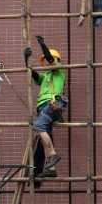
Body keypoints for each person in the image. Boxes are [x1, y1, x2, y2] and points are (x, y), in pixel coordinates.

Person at [26, 36, 66, 179]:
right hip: (44, 107)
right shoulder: (46, 77)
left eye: (46, 60)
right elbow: (33, 74)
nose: (44, 63)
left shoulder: (59, 71)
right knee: (44, 137)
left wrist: (43, 45)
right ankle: (51, 168)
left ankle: (53, 155)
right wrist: (27, 61)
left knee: (38, 128)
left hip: (51, 104)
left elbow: (50, 59)